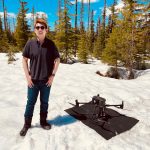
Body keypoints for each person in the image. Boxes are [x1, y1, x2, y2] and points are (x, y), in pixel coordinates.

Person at [20, 18, 60, 136]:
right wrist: (27, 77)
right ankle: (27, 124)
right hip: (33, 81)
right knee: (30, 102)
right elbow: (24, 59)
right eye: (37, 27)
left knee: (44, 102)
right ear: (35, 30)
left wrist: (52, 76)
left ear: (46, 30)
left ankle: (43, 122)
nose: (40, 29)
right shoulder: (30, 43)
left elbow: (57, 59)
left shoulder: (51, 44)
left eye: (42, 27)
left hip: (46, 81)